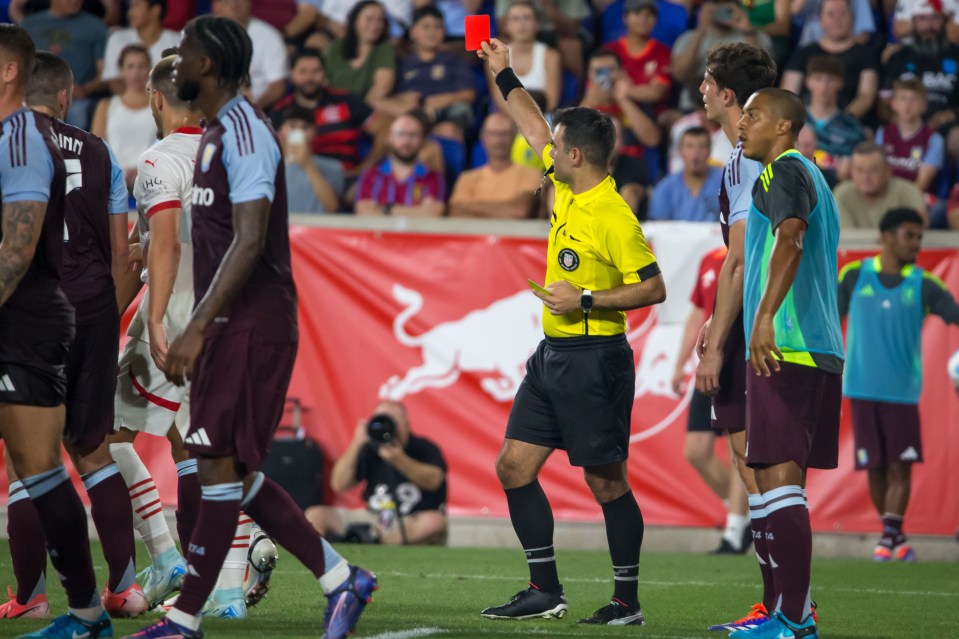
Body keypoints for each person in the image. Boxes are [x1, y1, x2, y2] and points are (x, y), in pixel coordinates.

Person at [123, 16, 376, 639]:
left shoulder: (245, 132)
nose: (175, 61)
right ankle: (340, 580)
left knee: (216, 467)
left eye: (184, 53)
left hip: (250, 324)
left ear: (205, 66)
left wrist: (196, 326)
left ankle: (185, 619)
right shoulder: (212, 134)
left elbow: (252, 237)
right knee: (223, 468)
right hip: (229, 324)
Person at [477, 36, 667, 626]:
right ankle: (544, 589)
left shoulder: (613, 216)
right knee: (513, 467)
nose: (544, 149)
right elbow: (535, 126)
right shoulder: (564, 184)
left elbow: (654, 287)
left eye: (556, 147)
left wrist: (585, 297)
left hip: (596, 359)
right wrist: (505, 73)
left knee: (606, 481)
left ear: (577, 157)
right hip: (552, 355)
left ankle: (626, 602)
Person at [2, 49, 144, 624]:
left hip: (31, 312)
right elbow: (120, 253)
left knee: (24, 457)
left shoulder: (11, 142)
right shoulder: (99, 148)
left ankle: (31, 596)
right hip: (90, 308)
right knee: (93, 449)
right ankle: (125, 590)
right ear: (65, 95)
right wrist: (103, 319)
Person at [735, 87, 845, 639]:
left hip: (788, 345)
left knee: (777, 478)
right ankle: (787, 613)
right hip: (816, 345)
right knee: (778, 480)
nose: (742, 124)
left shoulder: (784, 172)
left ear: (782, 127)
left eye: (752, 115)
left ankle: (793, 620)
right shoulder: (814, 176)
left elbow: (792, 238)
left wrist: (763, 318)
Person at [694, 42, 783, 635]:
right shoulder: (741, 157)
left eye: (705, 83)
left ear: (728, 94)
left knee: (761, 467)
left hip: (756, 335)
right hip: (749, 324)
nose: (699, 92)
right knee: (747, 462)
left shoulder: (748, 160)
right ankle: (776, 602)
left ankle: (785, 606)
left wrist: (721, 340)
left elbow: (744, 260)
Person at [838, 207, 959, 562]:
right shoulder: (854, 275)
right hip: (859, 388)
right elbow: (829, 318)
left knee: (899, 466)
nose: (917, 244)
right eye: (910, 236)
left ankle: (888, 539)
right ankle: (895, 537)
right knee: (874, 467)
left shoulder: (925, 283)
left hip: (901, 393)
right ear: (887, 236)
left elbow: (955, 314)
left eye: (920, 237)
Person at [671, 246, 751, 555]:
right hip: (712, 361)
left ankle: (734, 531)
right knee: (696, 450)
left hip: (739, 358)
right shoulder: (712, 258)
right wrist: (680, 362)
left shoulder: (758, 251)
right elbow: (697, 311)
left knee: (740, 450)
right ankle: (745, 516)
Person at [309, 401, 448, 545]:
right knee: (316, 515)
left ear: (407, 425)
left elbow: (434, 481)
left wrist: (399, 459)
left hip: (409, 520)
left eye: (392, 422)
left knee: (433, 522)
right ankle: (333, 553)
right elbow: (338, 484)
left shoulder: (424, 447)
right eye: (380, 421)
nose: (386, 429)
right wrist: (356, 443)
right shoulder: (370, 448)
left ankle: (373, 542)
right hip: (373, 517)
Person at [269, 48, 378, 179]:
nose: (310, 78)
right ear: (292, 74)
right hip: (300, 181)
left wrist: (363, 171)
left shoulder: (347, 100)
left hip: (346, 179)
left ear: (325, 73)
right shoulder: (280, 110)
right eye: (303, 71)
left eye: (316, 71)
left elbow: (384, 132)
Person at [383, 5, 476, 142]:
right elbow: (390, 95)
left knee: (451, 127)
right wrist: (402, 98)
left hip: (445, 117)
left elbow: (469, 94)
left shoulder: (454, 60)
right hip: (410, 117)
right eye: (426, 27)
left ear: (444, 31)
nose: (432, 32)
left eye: (437, 27)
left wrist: (444, 100)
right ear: (412, 32)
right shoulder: (402, 64)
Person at [780, 0, 879, 119]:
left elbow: (865, 97)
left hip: (850, 125)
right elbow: (788, 95)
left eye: (843, 13)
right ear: (820, 19)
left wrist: (839, 123)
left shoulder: (867, 54)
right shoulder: (803, 53)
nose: (837, 19)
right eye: (831, 14)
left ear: (852, 17)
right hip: (806, 124)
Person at [670, 0, 774, 111]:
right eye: (718, 5)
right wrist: (700, 31)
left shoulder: (756, 37)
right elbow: (679, 74)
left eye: (728, 6)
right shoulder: (688, 38)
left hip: (741, 107)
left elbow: (762, 76)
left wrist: (747, 30)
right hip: (694, 107)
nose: (723, 11)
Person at [22, 0, 108, 129]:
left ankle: (72, 148)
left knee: (77, 111)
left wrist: (85, 89)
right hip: (34, 93)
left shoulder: (95, 26)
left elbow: (105, 72)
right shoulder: (29, 24)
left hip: (76, 98)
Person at [882, 0, 959, 129]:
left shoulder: (956, 56)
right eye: (922, 19)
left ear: (944, 21)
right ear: (914, 22)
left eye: (935, 18)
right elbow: (884, 98)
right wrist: (895, 119)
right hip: (904, 125)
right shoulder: (898, 57)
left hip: (948, 125)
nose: (928, 26)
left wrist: (950, 115)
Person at [449, 112, 542, 218]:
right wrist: (504, 208)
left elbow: (520, 211)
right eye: (492, 134)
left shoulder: (530, 174)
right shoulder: (466, 178)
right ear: (483, 138)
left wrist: (471, 207)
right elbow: (455, 213)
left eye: (504, 134)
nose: (498, 140)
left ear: (514, 137)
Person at [355, 111, 446, 217]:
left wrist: (386, 209)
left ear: (422, 140)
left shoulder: (433, 177)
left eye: (413, 135)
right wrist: (416, 211)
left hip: (416, 233)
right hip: (379, 234)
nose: (406, 141)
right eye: (400, 134)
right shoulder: (371, 175)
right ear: (389, 138)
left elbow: (432, 214)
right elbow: (364, 213)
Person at [91, 44, 156, 190]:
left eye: (141, 66)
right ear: (122, 71)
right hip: (113, 181)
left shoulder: (159, 105)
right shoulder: (106, 105)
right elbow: (96, 148)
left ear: (150, 69)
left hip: (152, 180)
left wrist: (142, 170)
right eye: (130, 66)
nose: (136, 73)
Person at [833, 141, 929, 228]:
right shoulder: (842, 194)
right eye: (859, 170)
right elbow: (846, 236)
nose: (866, 177)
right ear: (851, 172)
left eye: (873, 170)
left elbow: (921, 226)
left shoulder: (907, 191)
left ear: (887, 170)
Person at [876, 78, 945, 194]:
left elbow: (921, 184)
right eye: (903, 98)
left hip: (915, 200)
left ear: (924, 105)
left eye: (914, 99)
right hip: (883, 195)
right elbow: (876, 171)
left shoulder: (934, 140)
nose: (908, 105)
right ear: (893, 103)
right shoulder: (883, 132)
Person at [323, 0, 396, 109]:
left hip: (365, 111)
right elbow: (322, 82)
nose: (375, 25)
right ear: (355, 21)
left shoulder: (384, 49)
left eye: (380, 20)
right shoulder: (334, 48)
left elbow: (382, 86)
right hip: (332, 108)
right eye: (369, 19)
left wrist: (357, 111)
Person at [492, 1, 562, 113]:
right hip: (509, 119)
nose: (522, 24)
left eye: (527, 18)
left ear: (536, 24)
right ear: (506, 26)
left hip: (542, 117)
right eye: (515, 19)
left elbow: (552, 101)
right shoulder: (496, 56)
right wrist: (522, 121)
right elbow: (500, 100)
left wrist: (532, 123)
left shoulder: (551, 56)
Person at [604, 0, 672, 114]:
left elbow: (656, 92)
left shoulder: (663, 52)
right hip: (614, 112)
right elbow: (601, 89)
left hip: (649, 114)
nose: (643, 19)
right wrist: (640, 91)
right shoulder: (609, 50)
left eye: (649, 14)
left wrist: (623, 89)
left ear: (655, 20)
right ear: (625, 18)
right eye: (637, 13)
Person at [802, 54, 864, 174]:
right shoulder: (792, 120)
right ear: (808, 82)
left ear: (840, 83)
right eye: (818, 79)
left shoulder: (852, 128)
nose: (824, 86)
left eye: (830, 79)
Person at [277, 103, 344, 213]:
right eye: (292, 126)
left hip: (314, 229)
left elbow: (332, 207)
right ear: (282, 130)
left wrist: (307, 164)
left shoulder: (333, 166)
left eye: (305, 128)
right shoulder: (268, 165)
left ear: (314, 133)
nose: (298, 132)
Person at [101, 0, 179, 93]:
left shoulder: (177, 41)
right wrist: (139, 103)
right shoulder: (117, 38)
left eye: (136, 6)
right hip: (127, 104)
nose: (130, 12)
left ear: (155, 10)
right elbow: (113, 81)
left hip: (166, 104)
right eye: (130, 7)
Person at [647, 127, 723, 222]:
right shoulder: (665, 188)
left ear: (709, 151)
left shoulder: (725, 182)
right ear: (680, 151)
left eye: (702, 146)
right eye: (689, 146)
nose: (696, 152)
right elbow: (658, 228)